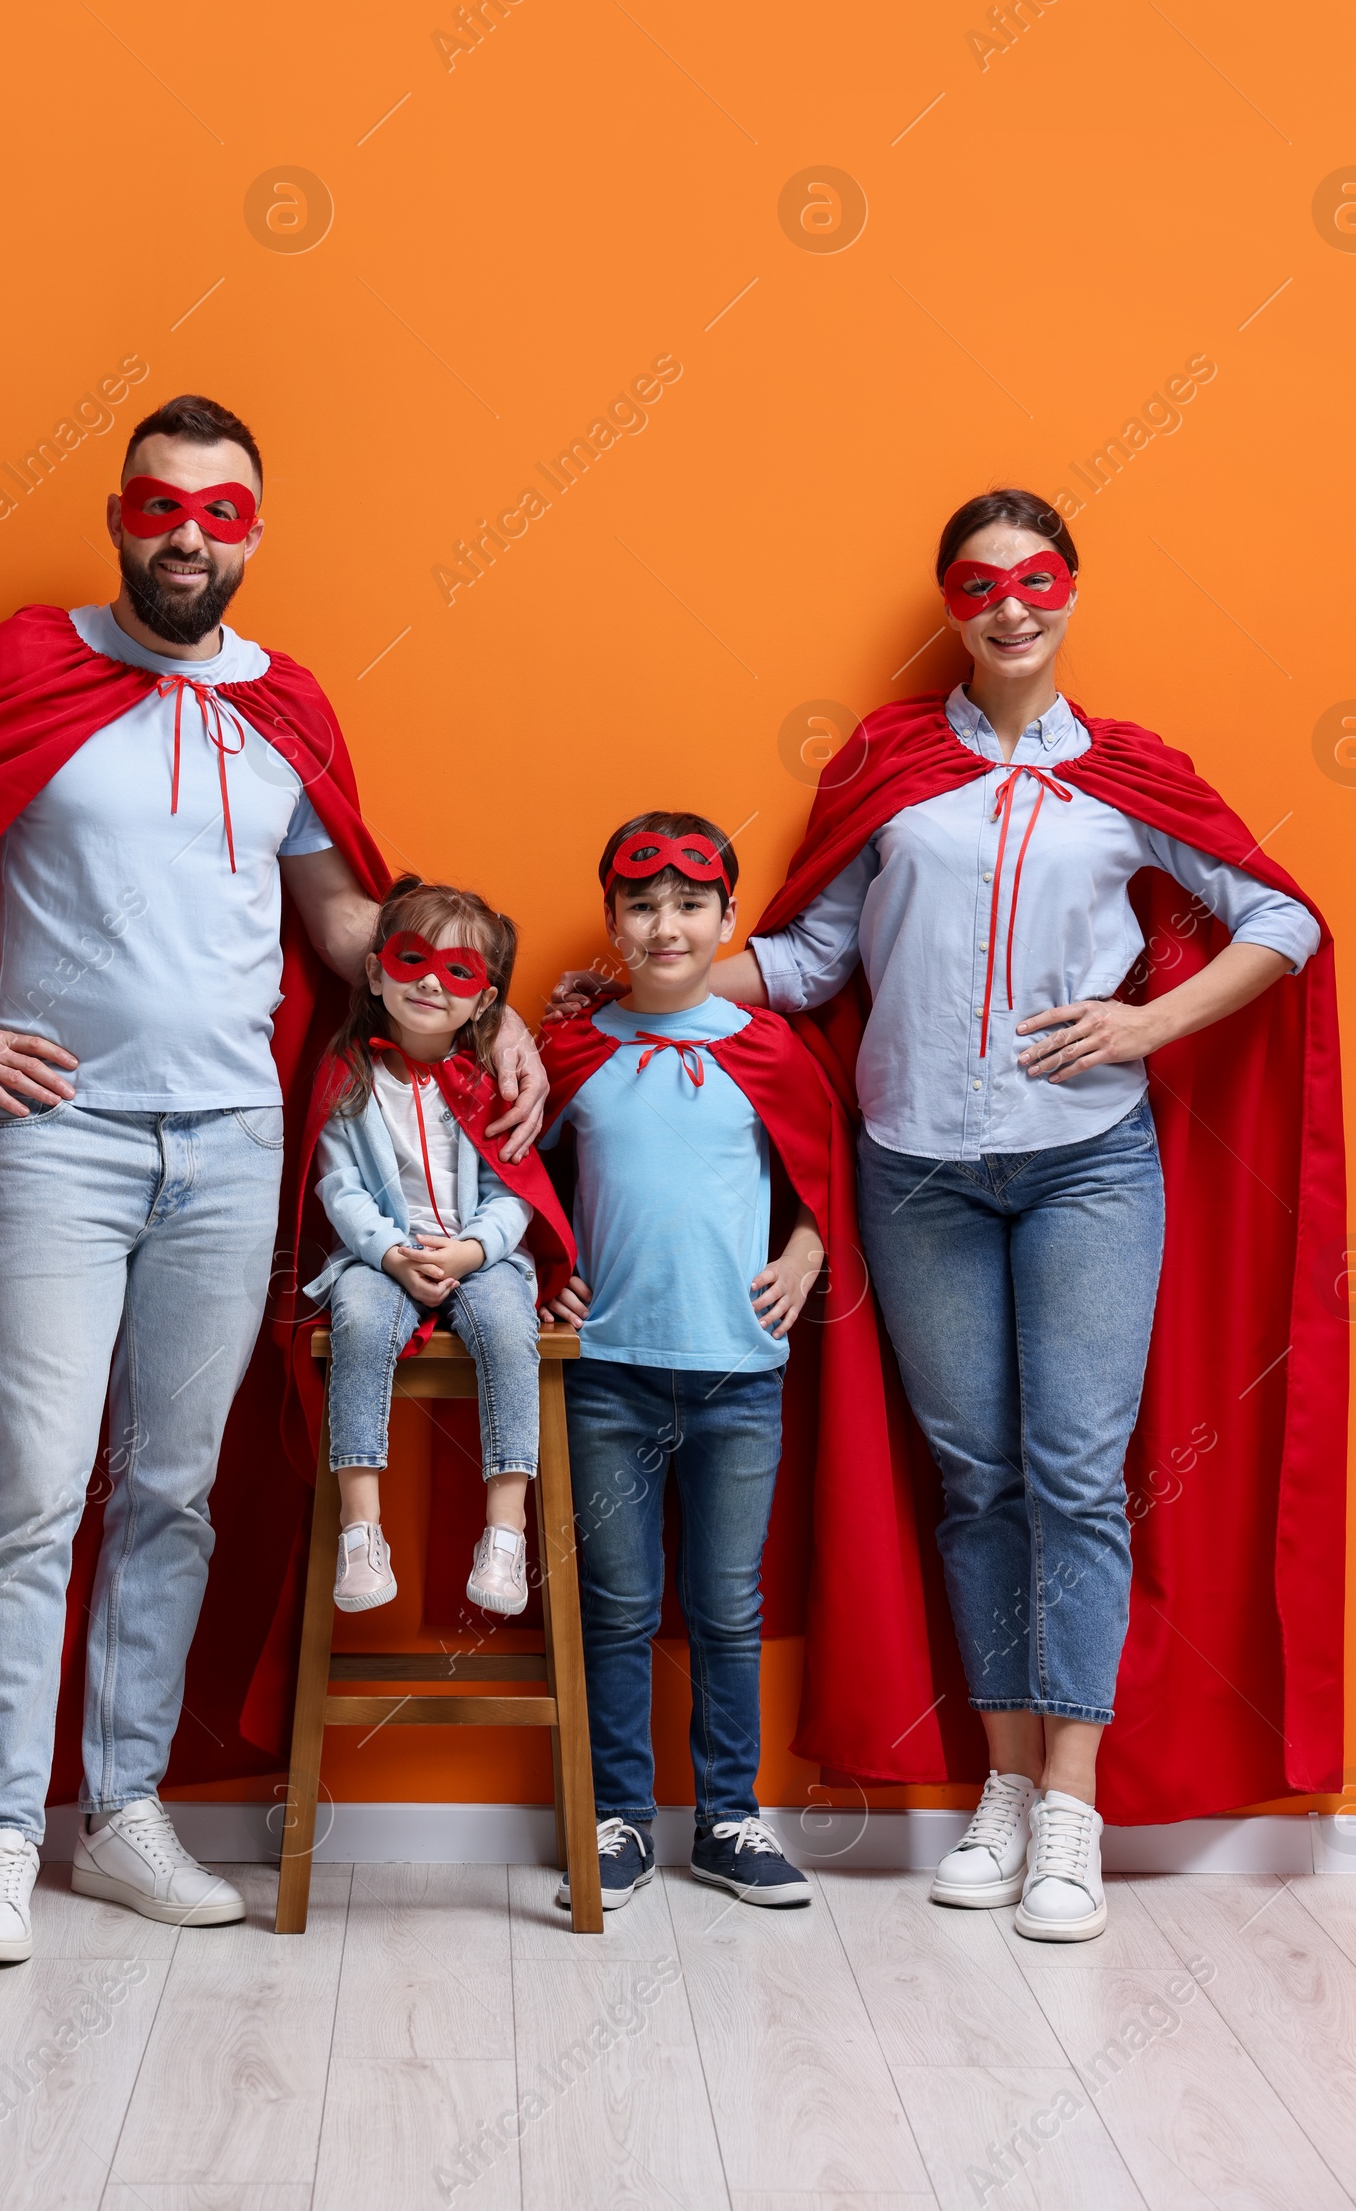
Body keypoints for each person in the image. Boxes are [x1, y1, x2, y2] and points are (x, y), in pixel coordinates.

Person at [0, 394, 547, 1964]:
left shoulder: (286, 705)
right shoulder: (19, 668)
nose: (189, 533)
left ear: (254, 529)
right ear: (121, 513)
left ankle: (120, 1810)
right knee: (33, 1481)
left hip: (234, 1145)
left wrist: (490, 1000)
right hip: (60, 1139)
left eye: (224, 512)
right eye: (161, 504)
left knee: (171, 1487)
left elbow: (343, 926)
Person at [698, 489, 1335, 1939]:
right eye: (981, 584)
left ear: (1070, 591)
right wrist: (655, 985)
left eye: (1037, 578)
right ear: (951, 602)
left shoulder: (1128, 773)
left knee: (1077, 1470)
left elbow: (1284, 919)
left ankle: (1071, 1803)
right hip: (914, 1166)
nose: (1011, 605)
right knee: (977, 1476)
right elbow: (804, 958)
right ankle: (996, 1784)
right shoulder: (890, 766)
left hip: (1086, 1163)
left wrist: (1145, 1023)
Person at [537, 813, 834, 1911]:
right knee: (615, 1604)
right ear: (613, 917)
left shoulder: (768, 1050)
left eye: (689, 904)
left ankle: (728, 1818)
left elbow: (824, 1168)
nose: (666, 925)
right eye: (641, 904)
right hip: (607, 1369)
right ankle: (615, 1815)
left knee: (725, 1605)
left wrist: (804, 1253)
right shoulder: (568, 1049)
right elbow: (502, 1176)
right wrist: (536, 1270)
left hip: (738, 1373)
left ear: (726, 917)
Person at [300, 877, 575, 1619]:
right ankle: (362, 1527)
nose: (429, 981)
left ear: (485, 1000)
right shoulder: (349, 1077)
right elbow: (339, 1188)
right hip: (377, 1261)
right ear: (375, 969)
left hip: (479, 1256)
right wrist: (391, 1254)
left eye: (458, 971)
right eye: (411, 958)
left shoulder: (488, 1082)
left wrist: (471, 1253)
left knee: (510, 1325)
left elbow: (515, 1188)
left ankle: (506, 1531)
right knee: (356, 1316)